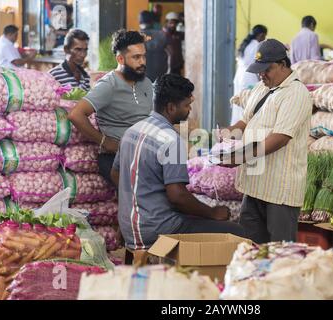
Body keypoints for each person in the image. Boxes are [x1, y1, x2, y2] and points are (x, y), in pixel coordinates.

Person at [111, 74, 245, 250]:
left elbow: (115, 174)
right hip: (158, 230)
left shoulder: (132, 131)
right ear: (171, 107)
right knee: (239, 234)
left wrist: (136, 205)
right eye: (186, 105)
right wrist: (212, 212)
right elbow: (178, 196)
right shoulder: (171, 140)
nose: (189, 110)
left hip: (130, 226)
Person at [219, 39, 312, 244]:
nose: (262, 75)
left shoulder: (296, 94)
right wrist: (229, 131)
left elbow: (280, 138)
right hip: (254, 185)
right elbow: (246, 120)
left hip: (279, 190)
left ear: (282, 64)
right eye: (259, 70)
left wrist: (239, 157)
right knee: (251, 248)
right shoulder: (262, 88)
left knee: (280, 252)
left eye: (267, 69)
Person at [68, 30, 153, 184]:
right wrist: (105, 142)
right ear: (120, 59)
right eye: (136, 57)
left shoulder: (145, 83)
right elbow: (76, 115)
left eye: (144, 56)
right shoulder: (108, 85)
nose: (142, 62)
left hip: (145, 155)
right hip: (116, 159)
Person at [232, 25, 268, 125]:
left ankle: (237, 127)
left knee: (239, 102)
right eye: (264, 36)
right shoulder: (257, 45)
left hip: (239, 75)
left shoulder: (246, 44)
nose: (264, 39)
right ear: (261, 35)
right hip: (248, 76)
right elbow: (257, 63)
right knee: (249, 102)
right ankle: (246, 127)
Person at [139, 10, 168, 82]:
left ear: (139, 21)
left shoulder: (136, 36)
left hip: (143, 75)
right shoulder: (162, 35)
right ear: (152, 21)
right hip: (161, 73)